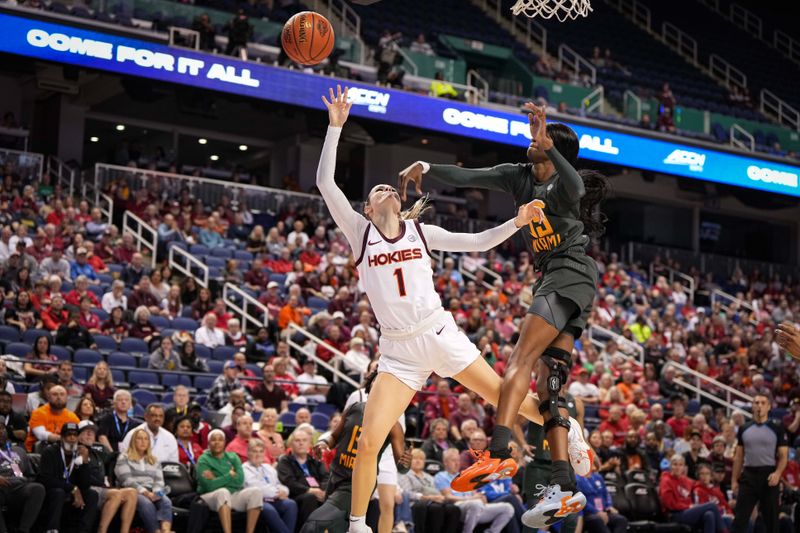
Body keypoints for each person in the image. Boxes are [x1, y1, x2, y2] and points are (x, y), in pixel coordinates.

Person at [318, 87, 591, 533]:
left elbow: (479, 242)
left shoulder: (420, 231)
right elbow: (326, 184)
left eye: (390, 187)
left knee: (511, 399)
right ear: (367, 208)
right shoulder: (359, 233)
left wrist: (516, 222)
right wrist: (335, 128)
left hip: (438, 334)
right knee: (368, 441)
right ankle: (357, 527)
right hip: (399, 353)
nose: (386, 189)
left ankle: (570, 431)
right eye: (377, 190)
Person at [398, 100, 605, 527]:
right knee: (550, 386)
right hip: (564, 279)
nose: (531, 142)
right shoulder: (519, 176)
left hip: (567, 274)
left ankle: (496, 452)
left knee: (519, 361)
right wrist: (428, 167)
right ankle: (564, 487)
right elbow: (472, 175)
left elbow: (579, 188)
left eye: (539, 140)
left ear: (554, 148)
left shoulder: (566, 185)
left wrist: (554, 147)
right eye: (532, 138)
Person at [303, 394, 410, 533]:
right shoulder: (354, 408)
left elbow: (402, 468)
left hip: (356, 483)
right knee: (337, 527)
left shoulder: (393, 425)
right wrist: (323, 443)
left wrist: (407, 462)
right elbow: (335, 437)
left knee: (315, 523)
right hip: (335, 477)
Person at [522, 390, 585, 533]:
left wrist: (592, 455)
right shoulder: (534, 397)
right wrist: (522, 443)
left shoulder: (577, 403)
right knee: (534, 519)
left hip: (564, 465)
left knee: (571, 519)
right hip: (539, 465)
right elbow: (516, 423)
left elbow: (580, 435)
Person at [731, 393, 788, 533]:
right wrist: (734, 480)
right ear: (752, 406)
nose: (759, 406)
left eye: (763, 403)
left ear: (769, 407)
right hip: (748, 475)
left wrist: (778, 473)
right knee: (739, 520)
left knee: (772, 521)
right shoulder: (744, 428)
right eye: (756, 403)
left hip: (769, 476)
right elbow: (739, 457)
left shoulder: (777, 428)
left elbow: (783, 456)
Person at [196, 429, 263, 533]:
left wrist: (216, 479)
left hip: (232, 494)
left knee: (255, 492)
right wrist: (229, 475)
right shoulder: (203, 459)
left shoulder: (233, 457)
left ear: (225, 442)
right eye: (213, 440)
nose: (217, 442)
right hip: (209, 496)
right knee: (223, 492)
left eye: (220, 440)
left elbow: (239, 481)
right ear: (208, 443)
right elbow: (208, 486)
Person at [38, 422, 100, 533]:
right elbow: (45, 479)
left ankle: (83, 530)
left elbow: (85, 485)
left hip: (70, 492)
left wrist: (84, 462)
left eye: (75, 435)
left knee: (92, 494)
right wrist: (72, 488)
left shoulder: (80, 453)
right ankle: (52, 529)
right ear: (61, 437)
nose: (72, 438)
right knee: (58, 492)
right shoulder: (50, 452)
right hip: (51, 492)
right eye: (68, 435)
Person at [78, 420, 138, 533]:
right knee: (116, 494)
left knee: (132, 492)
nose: (90, 434)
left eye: (92, 432)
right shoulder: (76, 451)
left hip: (101, 488)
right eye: (86, 431)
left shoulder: (95, 453)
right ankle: (102, 530)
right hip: (88, 489)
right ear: (77, 434)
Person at [434, 448, 514, 533]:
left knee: (508, 508)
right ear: (445, 462)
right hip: (458, 506)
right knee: (476, 504)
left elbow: (475, 493)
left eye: (458, 460)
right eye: (453, 460)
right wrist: (473, 499)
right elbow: (448, 497)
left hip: (475, 507)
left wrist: (481, 496)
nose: (457, 463)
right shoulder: (441, 476)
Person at [114, 428, 174, 533]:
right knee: (146, 504)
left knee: (166, 501)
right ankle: (155, 531)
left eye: (146, 439)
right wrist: (146, 493)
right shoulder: (124, 457)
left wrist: (156, 493)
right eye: (139, 438)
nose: (143, 441)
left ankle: (166, 530)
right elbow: (126, 480)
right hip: (132, 492)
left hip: (152, 491)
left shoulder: (154, 460)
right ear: (133, 441)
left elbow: (159, 481)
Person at [0, 419, 46, 533]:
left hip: (18, 488)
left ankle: (23, 530)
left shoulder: (18, 450)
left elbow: (29, 474)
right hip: (1, 489)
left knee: (37, 488)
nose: (0, 432)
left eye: (2, 428)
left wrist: (24, 480)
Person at [400, 448, 461, 533]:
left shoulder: (429, 477)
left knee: (453, 509)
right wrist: (427, 497)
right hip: (415, 503)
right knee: (432, 508)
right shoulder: (405, 474)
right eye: (415, 458)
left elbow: (436, 492)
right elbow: (406, 493)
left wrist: (440, 497)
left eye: (421, 459)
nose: (418, 461)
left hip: (431, 502)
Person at [243, 438, 298, 533]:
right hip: (257, 502)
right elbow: (257, 488)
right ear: (248, 453)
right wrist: (276, 492)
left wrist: (284, 491)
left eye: (261, 451)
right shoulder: (244, 469)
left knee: (291, 504)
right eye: (254, 451)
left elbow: (279, 484)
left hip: (273, 499)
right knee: (269, 510)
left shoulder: (268, 468)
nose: (258, 454)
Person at [276, 429, 329, 527]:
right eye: (297, 440)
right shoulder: (285, 460)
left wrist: (323, 490)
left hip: (318, 493)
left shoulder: (314, 459)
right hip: (296, 495)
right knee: (310, 498)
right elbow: (288, 481)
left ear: (309, 444)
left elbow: (326, 477)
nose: (301, 443)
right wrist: (309, 490)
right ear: (291, 444)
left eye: (304, 440)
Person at [659, 455, 725, 533]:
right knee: (712, 506)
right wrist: (688, 506)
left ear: (684, 467)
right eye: (675, 464)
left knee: (709, 515)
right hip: (674, 514)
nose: (678, 467)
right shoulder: (666, 481)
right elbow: (669, 504)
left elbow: (698, 484)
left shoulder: (685, 479)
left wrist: (710, 487)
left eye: (680, 465)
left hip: (687, 511)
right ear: (670, 466)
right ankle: (725, 531)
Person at [575, 460, 628, 533]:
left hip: (603, 511)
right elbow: (581, 500)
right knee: (597, 520)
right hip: (588, 514)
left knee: (621, 520)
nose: (593, 468)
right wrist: (596, 512)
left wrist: (609, 506)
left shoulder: (598, 477)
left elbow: (606, 494)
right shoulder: (576, 479)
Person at [25, 384, 80, 451]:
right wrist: (64, 439)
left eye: (62, 394)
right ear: (48, 397)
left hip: (63, 451)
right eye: (55, 394)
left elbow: (79, 435)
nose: (59, 397)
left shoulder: (72, 417)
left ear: (66, 398)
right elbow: (40, 434)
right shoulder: (38, 413)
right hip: (36, 453)